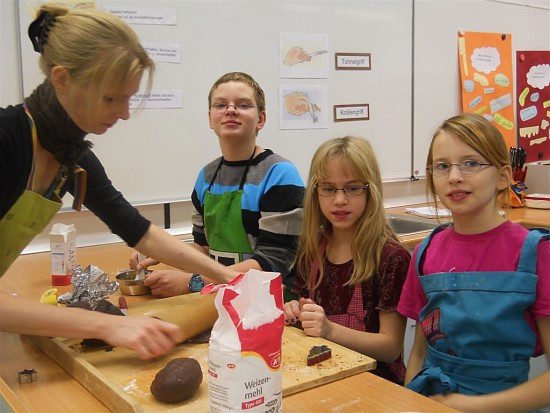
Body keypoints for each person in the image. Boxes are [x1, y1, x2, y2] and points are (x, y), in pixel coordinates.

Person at [0, 4, 238, 360]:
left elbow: (137, 229)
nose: (124, 113)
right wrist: (107, 325)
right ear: (62, 79)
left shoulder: (70, 157)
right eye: (111, 98)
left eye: (128, 97)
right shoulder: (7, 144)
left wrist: (222, 275)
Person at [398, 113, 550, 412]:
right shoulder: (426, 253)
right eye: (442, 166)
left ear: (504, 177)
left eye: (470, 163)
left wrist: (474, 406)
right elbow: (417, 354)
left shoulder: (536, 254)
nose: (454, 176)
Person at [132, 72, 305, 297]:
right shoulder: (206, 177)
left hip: (271, 301)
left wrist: (193, 282)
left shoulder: (279, 175)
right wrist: (163, 254)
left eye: (243, 105)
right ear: (210, 118)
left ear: (261, 119)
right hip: (220, 295)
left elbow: (273, 262)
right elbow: (203, 248)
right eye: (221, 104)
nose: (230, 110)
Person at [283, 136, 410, 384]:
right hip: (322, 377)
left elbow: (391, 347)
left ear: (370, 190)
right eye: (328, 189)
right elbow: (307, 312)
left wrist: (329, 329)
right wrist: (296, 312)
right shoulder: (312, 250)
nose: (339, 200)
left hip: (377, 385)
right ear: (316, 192)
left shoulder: (390, 258)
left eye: (352, 188)